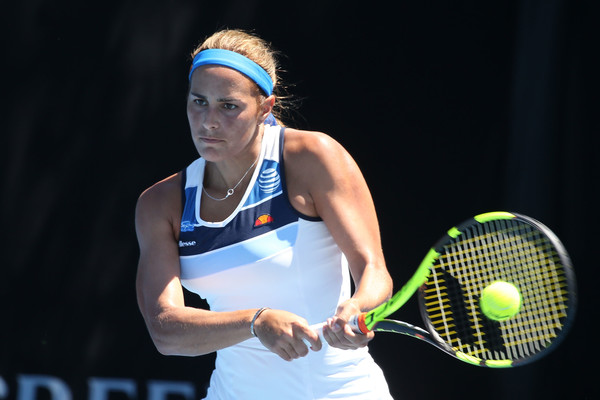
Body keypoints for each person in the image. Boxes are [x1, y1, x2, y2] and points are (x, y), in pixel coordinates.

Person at [135, 29, 394, 399]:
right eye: (198, 101)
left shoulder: (312, 158)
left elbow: (374, 271)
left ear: (265, 107)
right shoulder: (160, 203)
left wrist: (358, 307)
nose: (208, 121)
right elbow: (165, 330)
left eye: (229, 106)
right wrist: (256, 321)